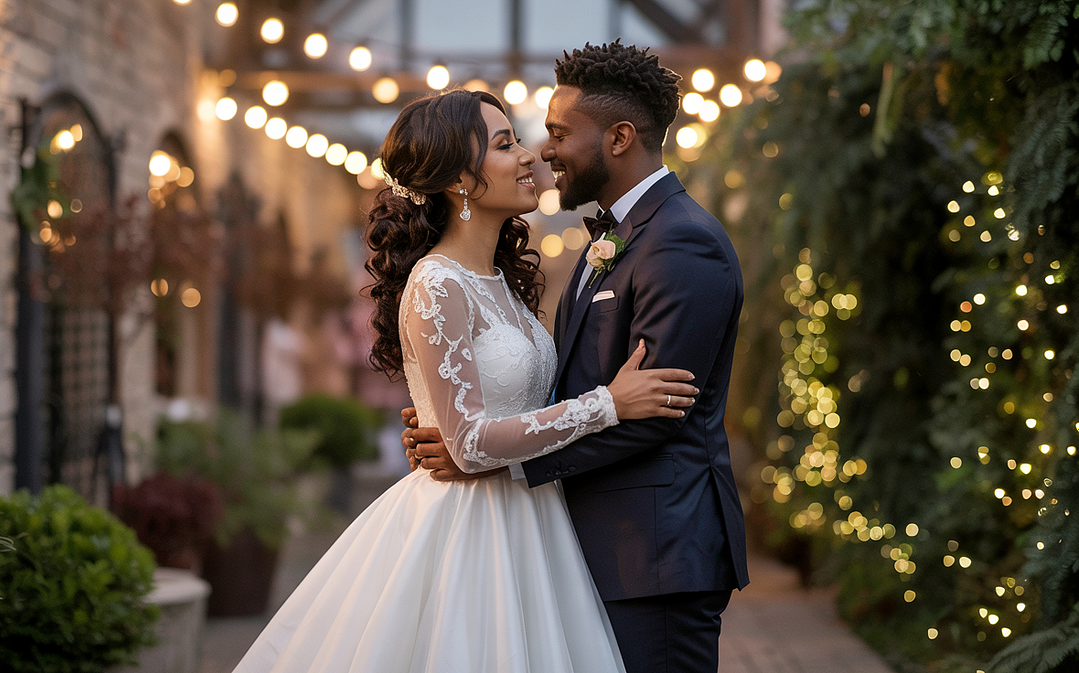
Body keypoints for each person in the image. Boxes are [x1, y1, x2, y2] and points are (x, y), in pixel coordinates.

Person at [233, 87, 699, 673]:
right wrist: (607, 405)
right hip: (467, 531)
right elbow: (469, 443)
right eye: (505, 144)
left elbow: (492, 414)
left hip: (535, 519)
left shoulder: (502, 281)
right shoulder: (437, 283)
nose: (530, 155)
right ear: (459, 179)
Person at [403, 41, 750, 673]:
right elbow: (569, 390)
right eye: (520, 140)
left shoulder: (681, 245)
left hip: (656, 554)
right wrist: (457, 417)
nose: (545, 150)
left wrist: (489, 461)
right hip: (582, 543)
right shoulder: (614, 239)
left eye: (559, 133)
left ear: (619, 138)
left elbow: (655, 411)